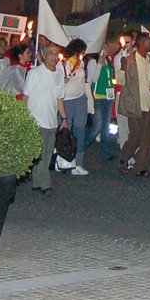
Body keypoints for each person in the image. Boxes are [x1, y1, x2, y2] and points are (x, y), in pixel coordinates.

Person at [23, 41, 65, 194]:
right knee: (41, 154)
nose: (54, 57)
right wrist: (23, 118)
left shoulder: (59, 75)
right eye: (51, 53)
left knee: (47, 152)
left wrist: (64, 119)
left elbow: (59, 99)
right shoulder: (35, 73)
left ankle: (36, 181)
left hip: (51, 121)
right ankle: (45, 184)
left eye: (56, 54)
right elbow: (25, 97)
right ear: (44, 55)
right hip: (36, 119)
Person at [117, 31, 150, 176]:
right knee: (136, 135)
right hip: (134, 104)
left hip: (148, 103)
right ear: (141, 43)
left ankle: (141, 167)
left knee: (147, 137)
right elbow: (121, 82)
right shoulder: (130, 60)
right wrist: (122, 68)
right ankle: (124, 158)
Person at [58, 39, 92, 174]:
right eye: (82, 51)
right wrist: (63, 80)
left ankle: (78, 162)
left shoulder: (81, 62)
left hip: (80, 98)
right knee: (66, 130)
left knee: (80, 129)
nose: (83, 54)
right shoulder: (63, 63)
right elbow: (57, 81)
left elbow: (83, 80)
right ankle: (64, 161)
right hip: (67, 99)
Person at [88, 38, 119, 161]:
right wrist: (100, 62)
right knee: (97, 126)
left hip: (108, 96)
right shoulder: (93, 62)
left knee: (106, 126)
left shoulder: (108, 61)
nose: (106, 50)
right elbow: (93, 79)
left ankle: (105, 152)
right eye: (104, 48)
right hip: (98, 98)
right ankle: (82, 146)